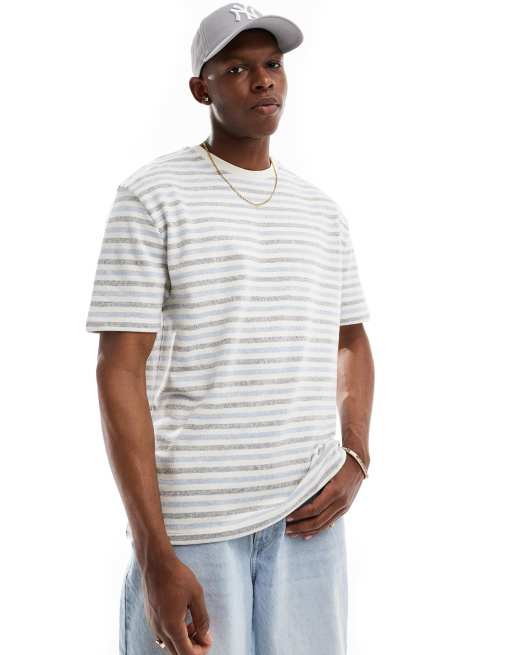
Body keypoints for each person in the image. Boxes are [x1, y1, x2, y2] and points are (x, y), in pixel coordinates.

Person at [85, 3, 374, 654]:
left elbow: (351, 339)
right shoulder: (151, 197)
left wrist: (355, 454)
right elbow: (118, 368)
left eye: (272, 64)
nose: (263, 79)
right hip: (195, 526)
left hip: (309, 523)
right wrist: (154, 551)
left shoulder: (321, 212)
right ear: (201, 89)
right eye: (238, 68)